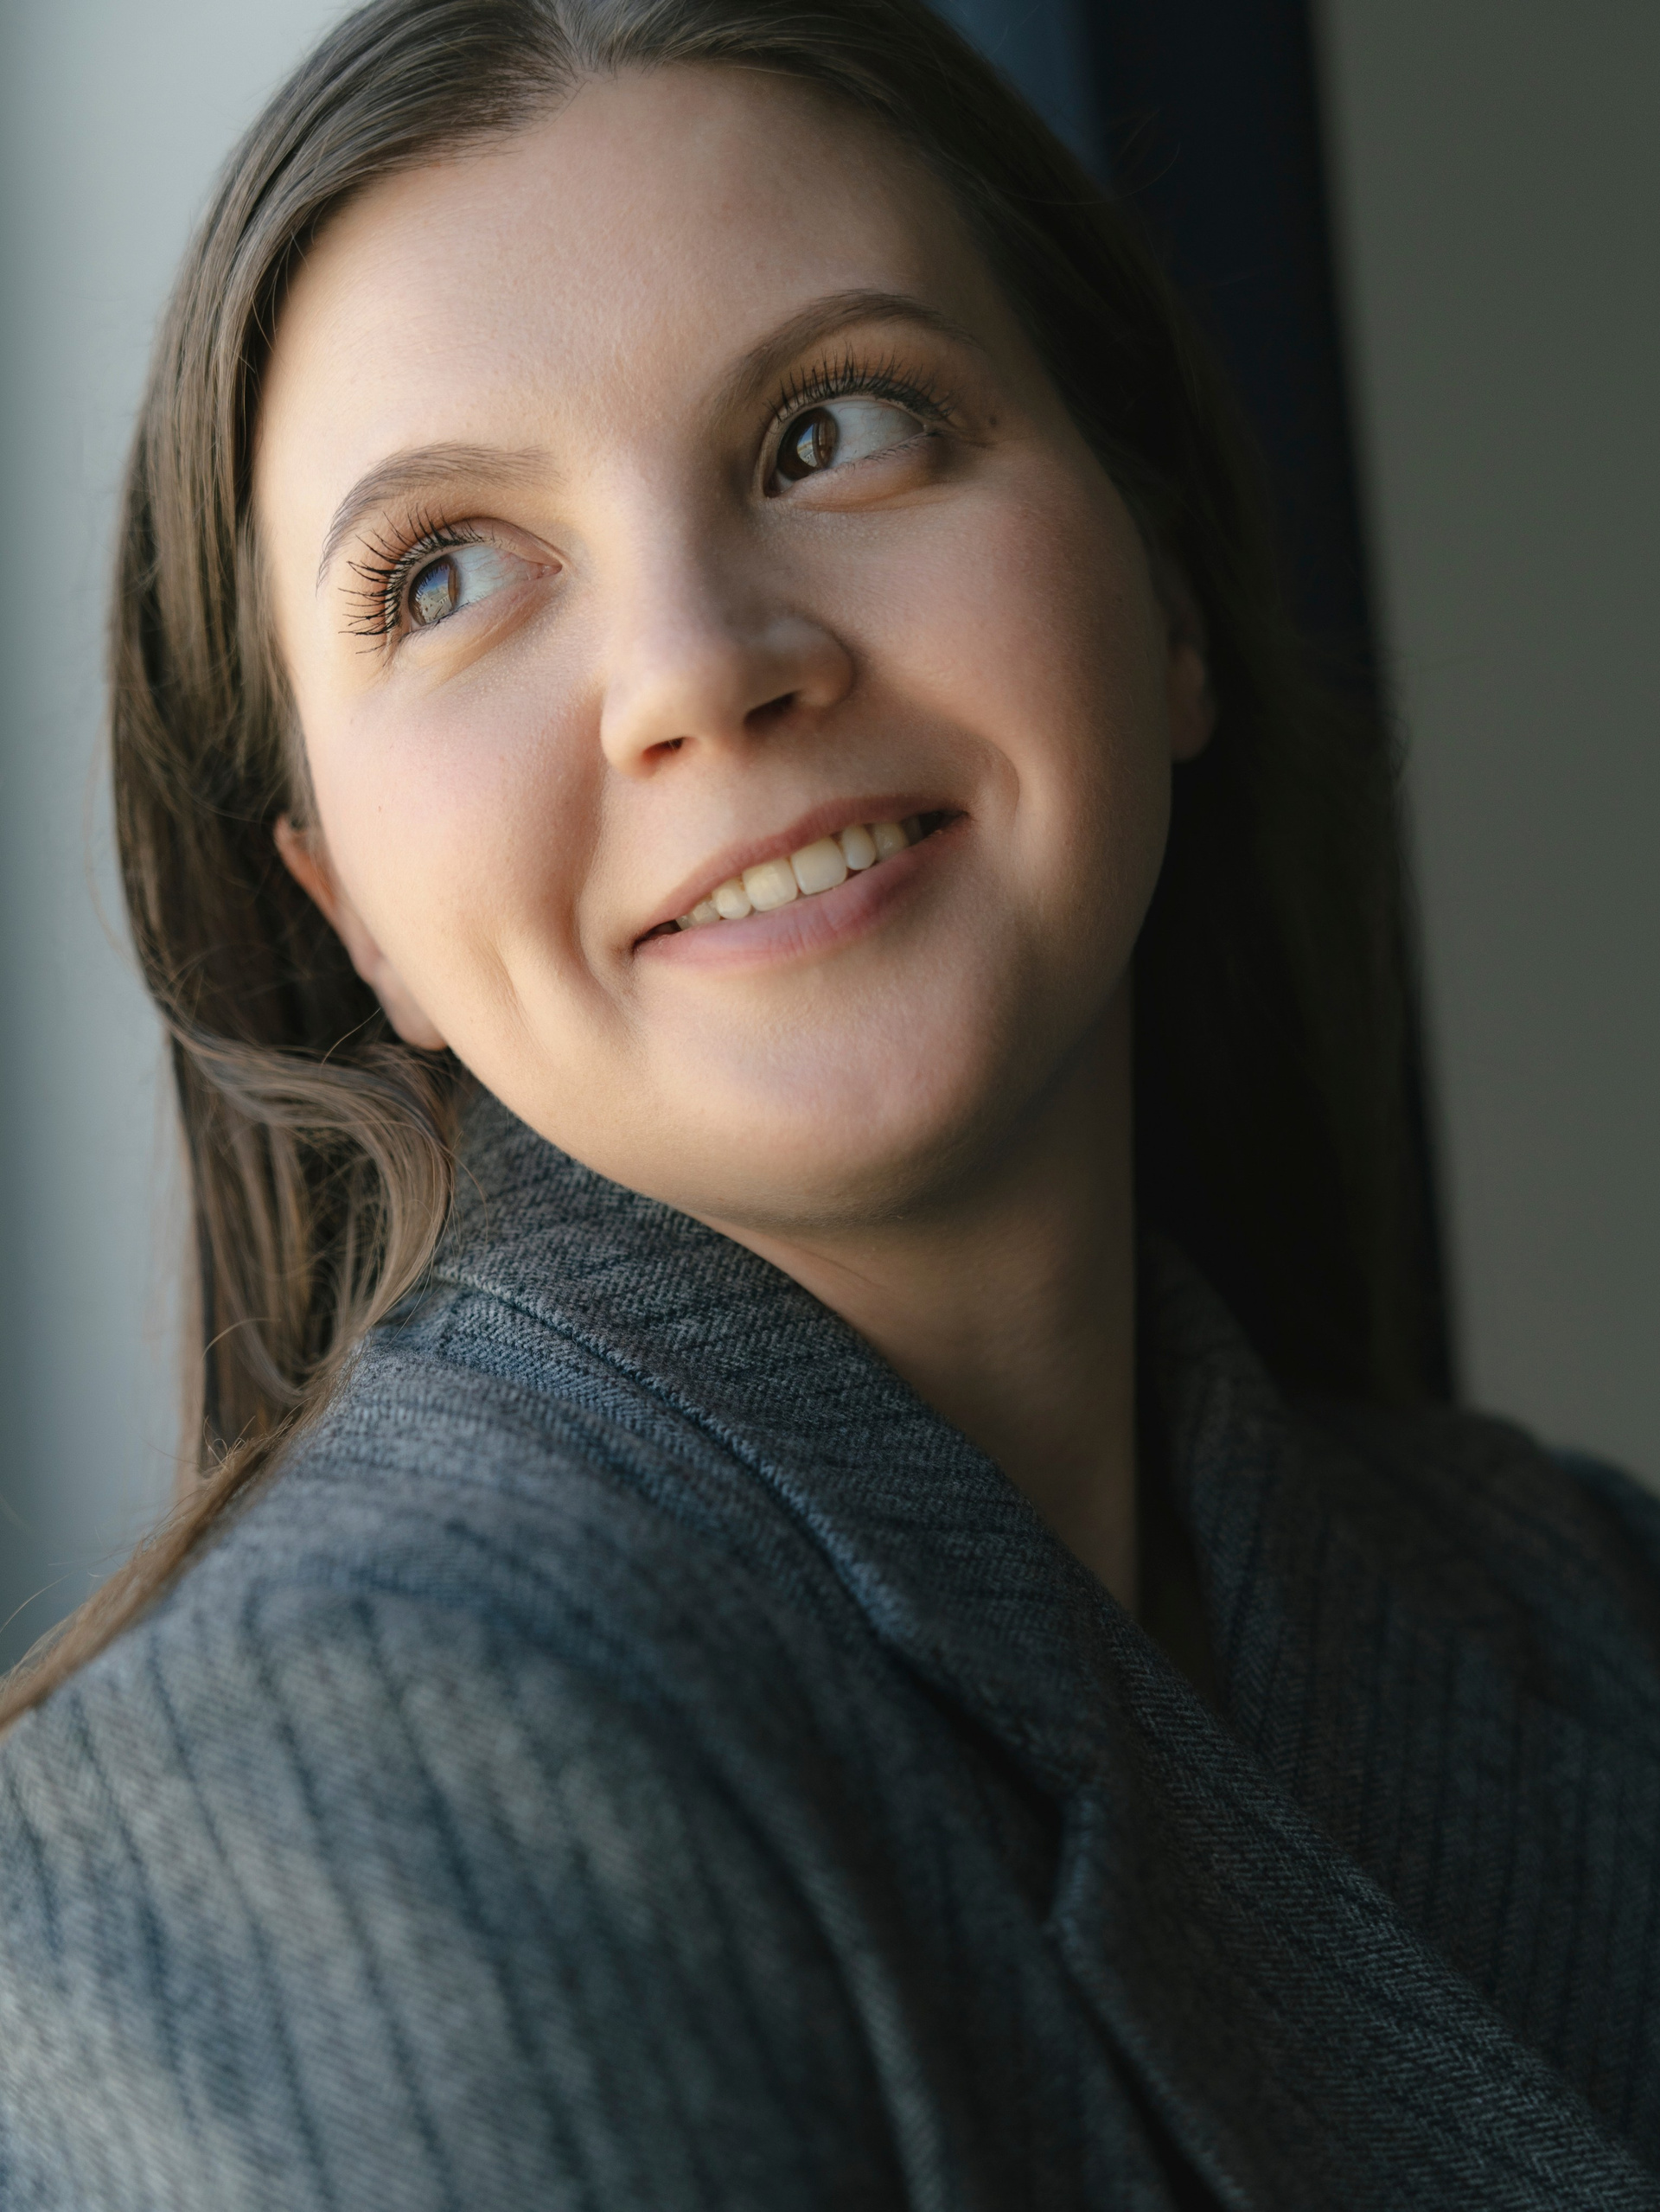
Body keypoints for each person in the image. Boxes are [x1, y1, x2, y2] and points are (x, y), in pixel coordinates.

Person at [2, 1, 1657, 2203]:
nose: (703, 667)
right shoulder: (314, 1790)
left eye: (834, 429)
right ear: (348, 913)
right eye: (447, 573)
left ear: (1163, 590)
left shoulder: (1584, 1604)